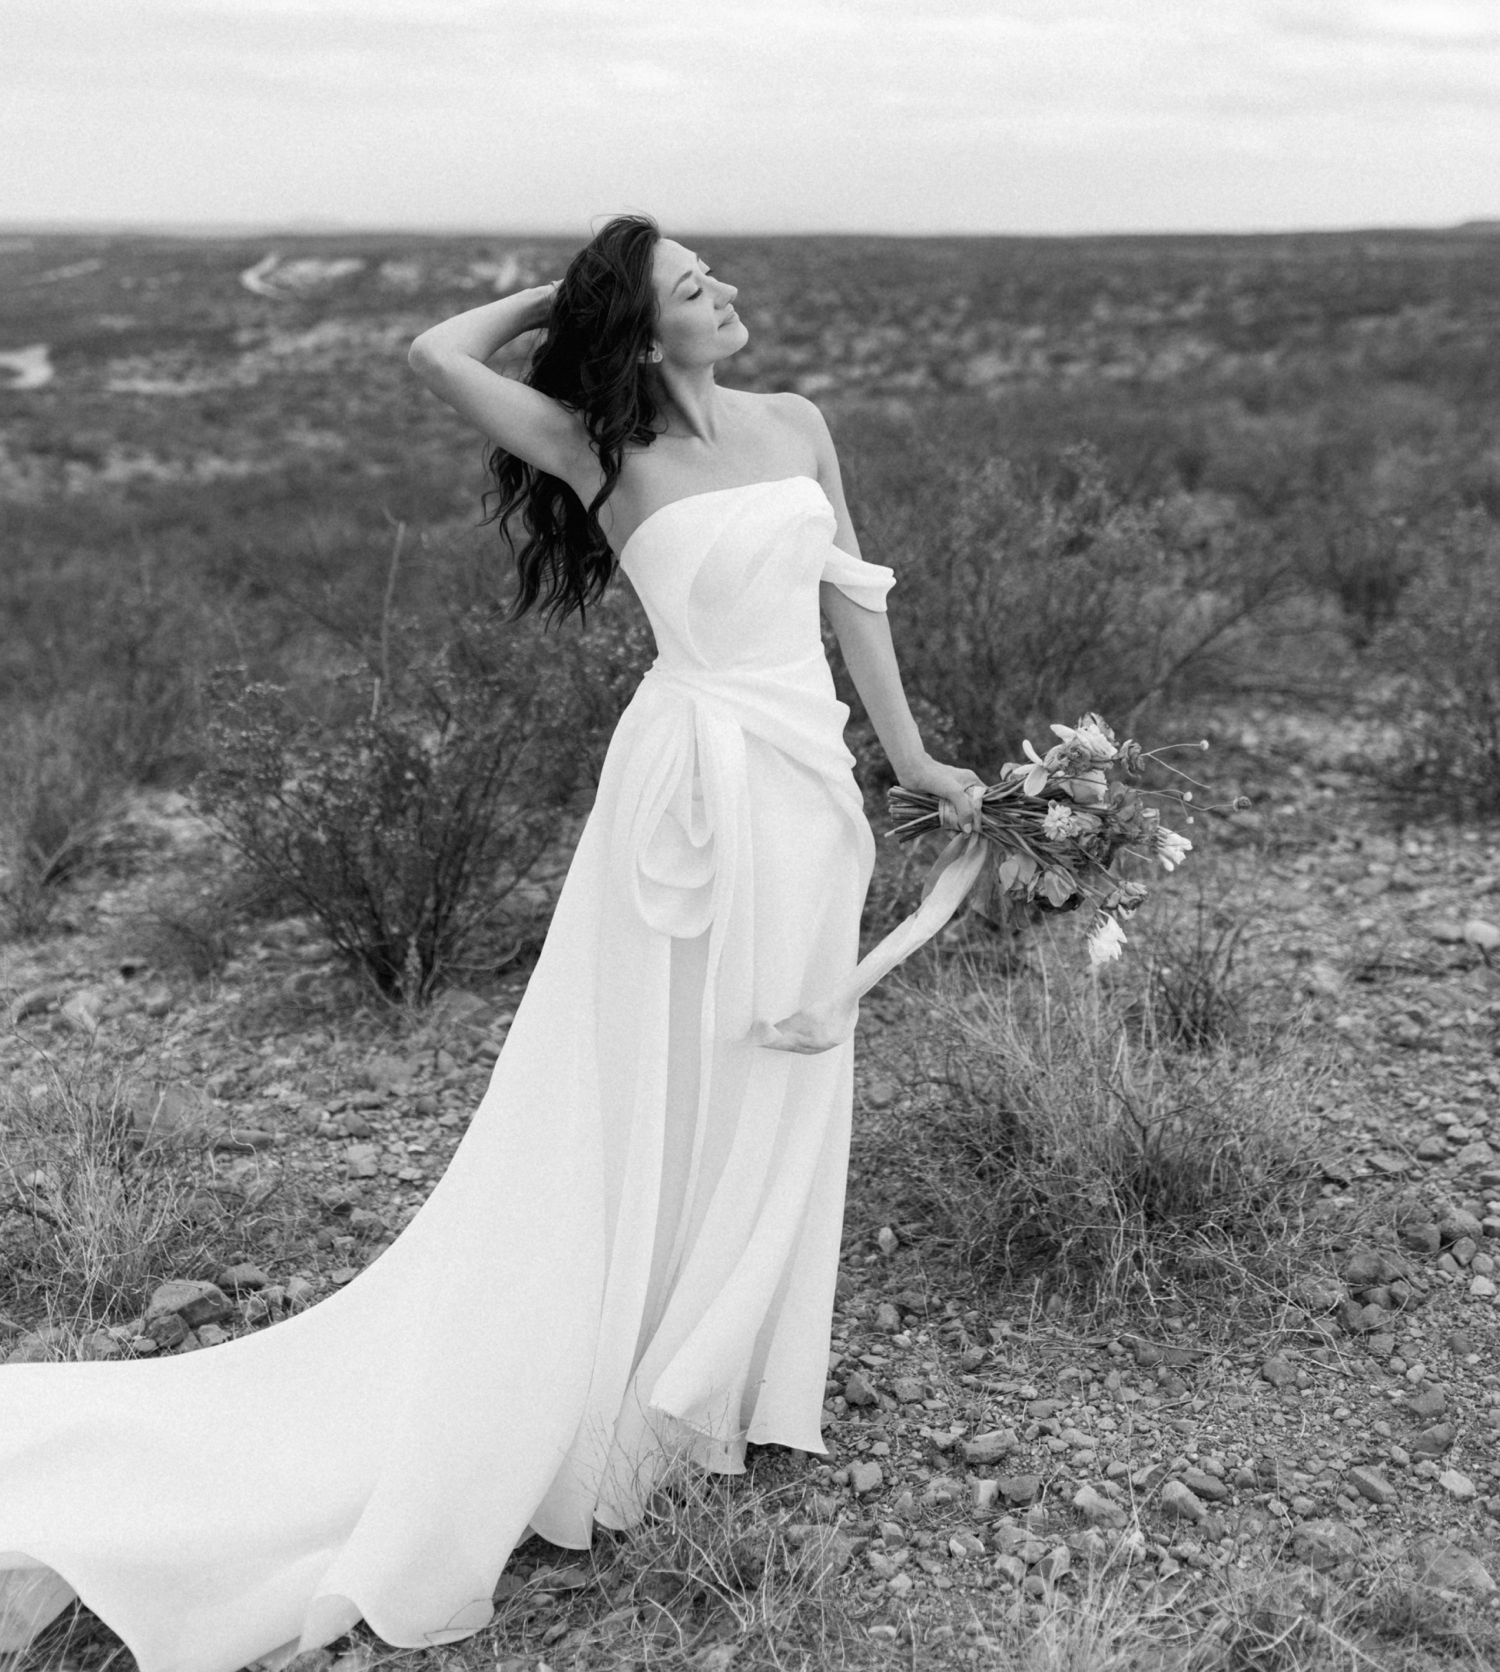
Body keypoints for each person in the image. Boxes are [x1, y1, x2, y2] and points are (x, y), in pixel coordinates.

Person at [0, 215, 986, 1672]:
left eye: (715, 272)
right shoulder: (602, 448)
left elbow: (857, 603)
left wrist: (912, 761)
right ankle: (598, 1378)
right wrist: (576, 294)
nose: (731, 292)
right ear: (644, 333)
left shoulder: (800, 423)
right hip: (681, 798)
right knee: (648, 1074)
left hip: (803, 787)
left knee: (786, 1059)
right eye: (695, 285)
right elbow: (433, 352)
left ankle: (704, 1377)